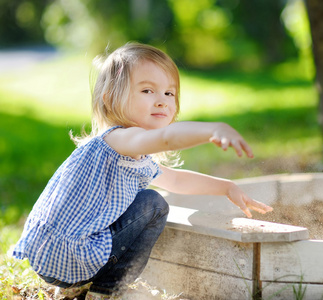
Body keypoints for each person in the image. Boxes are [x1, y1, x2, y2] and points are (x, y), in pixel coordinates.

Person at [12, 42, 273, 299]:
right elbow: (169, 138)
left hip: (51, 257)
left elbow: (177, 180)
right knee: (153, 204)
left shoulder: (128, 152)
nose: (161, 101)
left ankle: (74, 286)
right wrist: (213, 129)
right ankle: (109, 290)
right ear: (111, 98)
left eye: (169, 93)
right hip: (71, 255)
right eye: (148, 91)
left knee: (141, 201)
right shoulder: (121, 139)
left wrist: (227, 187)